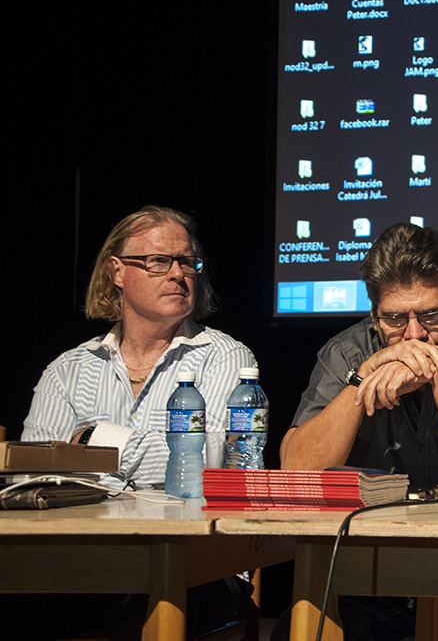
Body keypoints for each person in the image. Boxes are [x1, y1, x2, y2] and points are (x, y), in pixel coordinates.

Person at [278, 222, 438, 641]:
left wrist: (435, 372)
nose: (414, 333)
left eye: (431, 315)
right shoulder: (348, 351)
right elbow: (296, 468)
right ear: (374, 314)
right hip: (373, 569)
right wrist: (363, 377)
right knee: (296, 628)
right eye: (396, 318)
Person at [11, 206, 257, 639]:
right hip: (81, 561)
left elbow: (208, 461)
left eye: (187, 262)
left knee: (140, 604)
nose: (178, 274)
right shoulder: (68, 371)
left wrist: (90, 444)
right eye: (159, 261)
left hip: (196, 564)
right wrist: (153, 453)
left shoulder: (225, 358)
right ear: (117, 272)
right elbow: (36, 476)